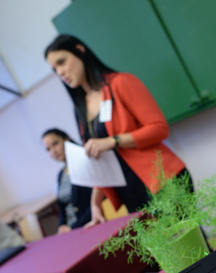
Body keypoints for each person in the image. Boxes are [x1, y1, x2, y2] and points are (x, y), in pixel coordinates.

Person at [44, 34, 191, 227]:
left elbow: (159, 128)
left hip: (161, 180)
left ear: (80, 51)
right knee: (160, 247)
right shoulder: (80, 107)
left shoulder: (121, 83)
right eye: (55, 69)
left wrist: (112, 141)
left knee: (190, 242)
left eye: (62, 62)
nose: (60, 72)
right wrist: (95, 203)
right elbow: (98, 157)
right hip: (129, 193)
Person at [42, 128, 92, 233]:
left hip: (87, 226)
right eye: (48, 149)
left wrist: (73, 228)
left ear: (66, 139)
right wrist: (61, 225)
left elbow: (94, 204)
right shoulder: (61, 174)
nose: (53, 151)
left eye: (55, 144)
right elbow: (62, 208)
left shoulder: (85, 163)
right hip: (70, 231)